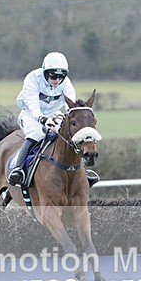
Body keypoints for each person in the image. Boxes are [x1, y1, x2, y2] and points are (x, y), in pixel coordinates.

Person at [8, 52, 99, 187]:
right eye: (53, 76)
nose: (57, 80)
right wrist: (42, 119)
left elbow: (71, 105)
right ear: (45, 72)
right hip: (30, 113)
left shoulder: (65, 83)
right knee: (36, 134)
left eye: (61, 76)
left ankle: (82, 172)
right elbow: (33, 105)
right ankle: (18, 170)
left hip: (54, 114)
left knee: (68, 135)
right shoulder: (32, 79)